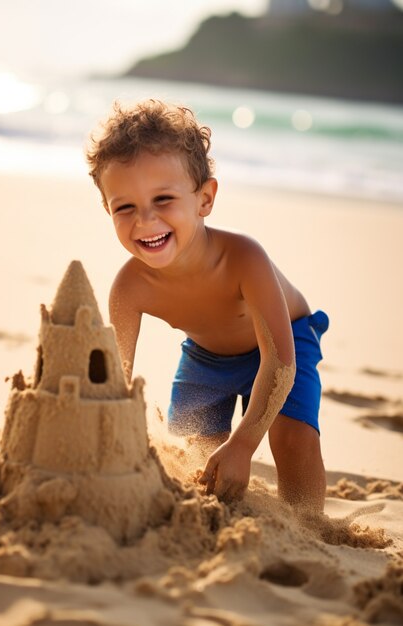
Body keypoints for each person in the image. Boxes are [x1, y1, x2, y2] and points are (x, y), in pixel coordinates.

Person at [86, 100, 329, 511]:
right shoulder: (129, 289)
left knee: (291, 436)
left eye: (163, 199)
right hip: (205, 358)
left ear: (205, 198)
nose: (145, 221)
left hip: (283, 346)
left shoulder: (243, 258)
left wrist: (244, 444)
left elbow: (280, 363)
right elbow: (116, 381)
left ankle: (310, 525)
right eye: (124, 207)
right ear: (108, 209)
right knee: (195, 455)